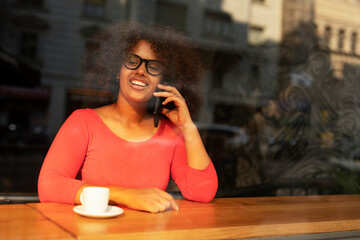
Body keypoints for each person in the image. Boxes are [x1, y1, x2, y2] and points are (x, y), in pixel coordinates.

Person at [38, 22, 218, 213]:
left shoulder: (169, 133)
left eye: (153, 66)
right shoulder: (83, 122)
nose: (141, 70)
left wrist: (188, 127)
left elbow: (203, 193)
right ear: (118, 70)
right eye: (132, 60)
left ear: (162, 81)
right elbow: (49, 186)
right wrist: (126, 195)